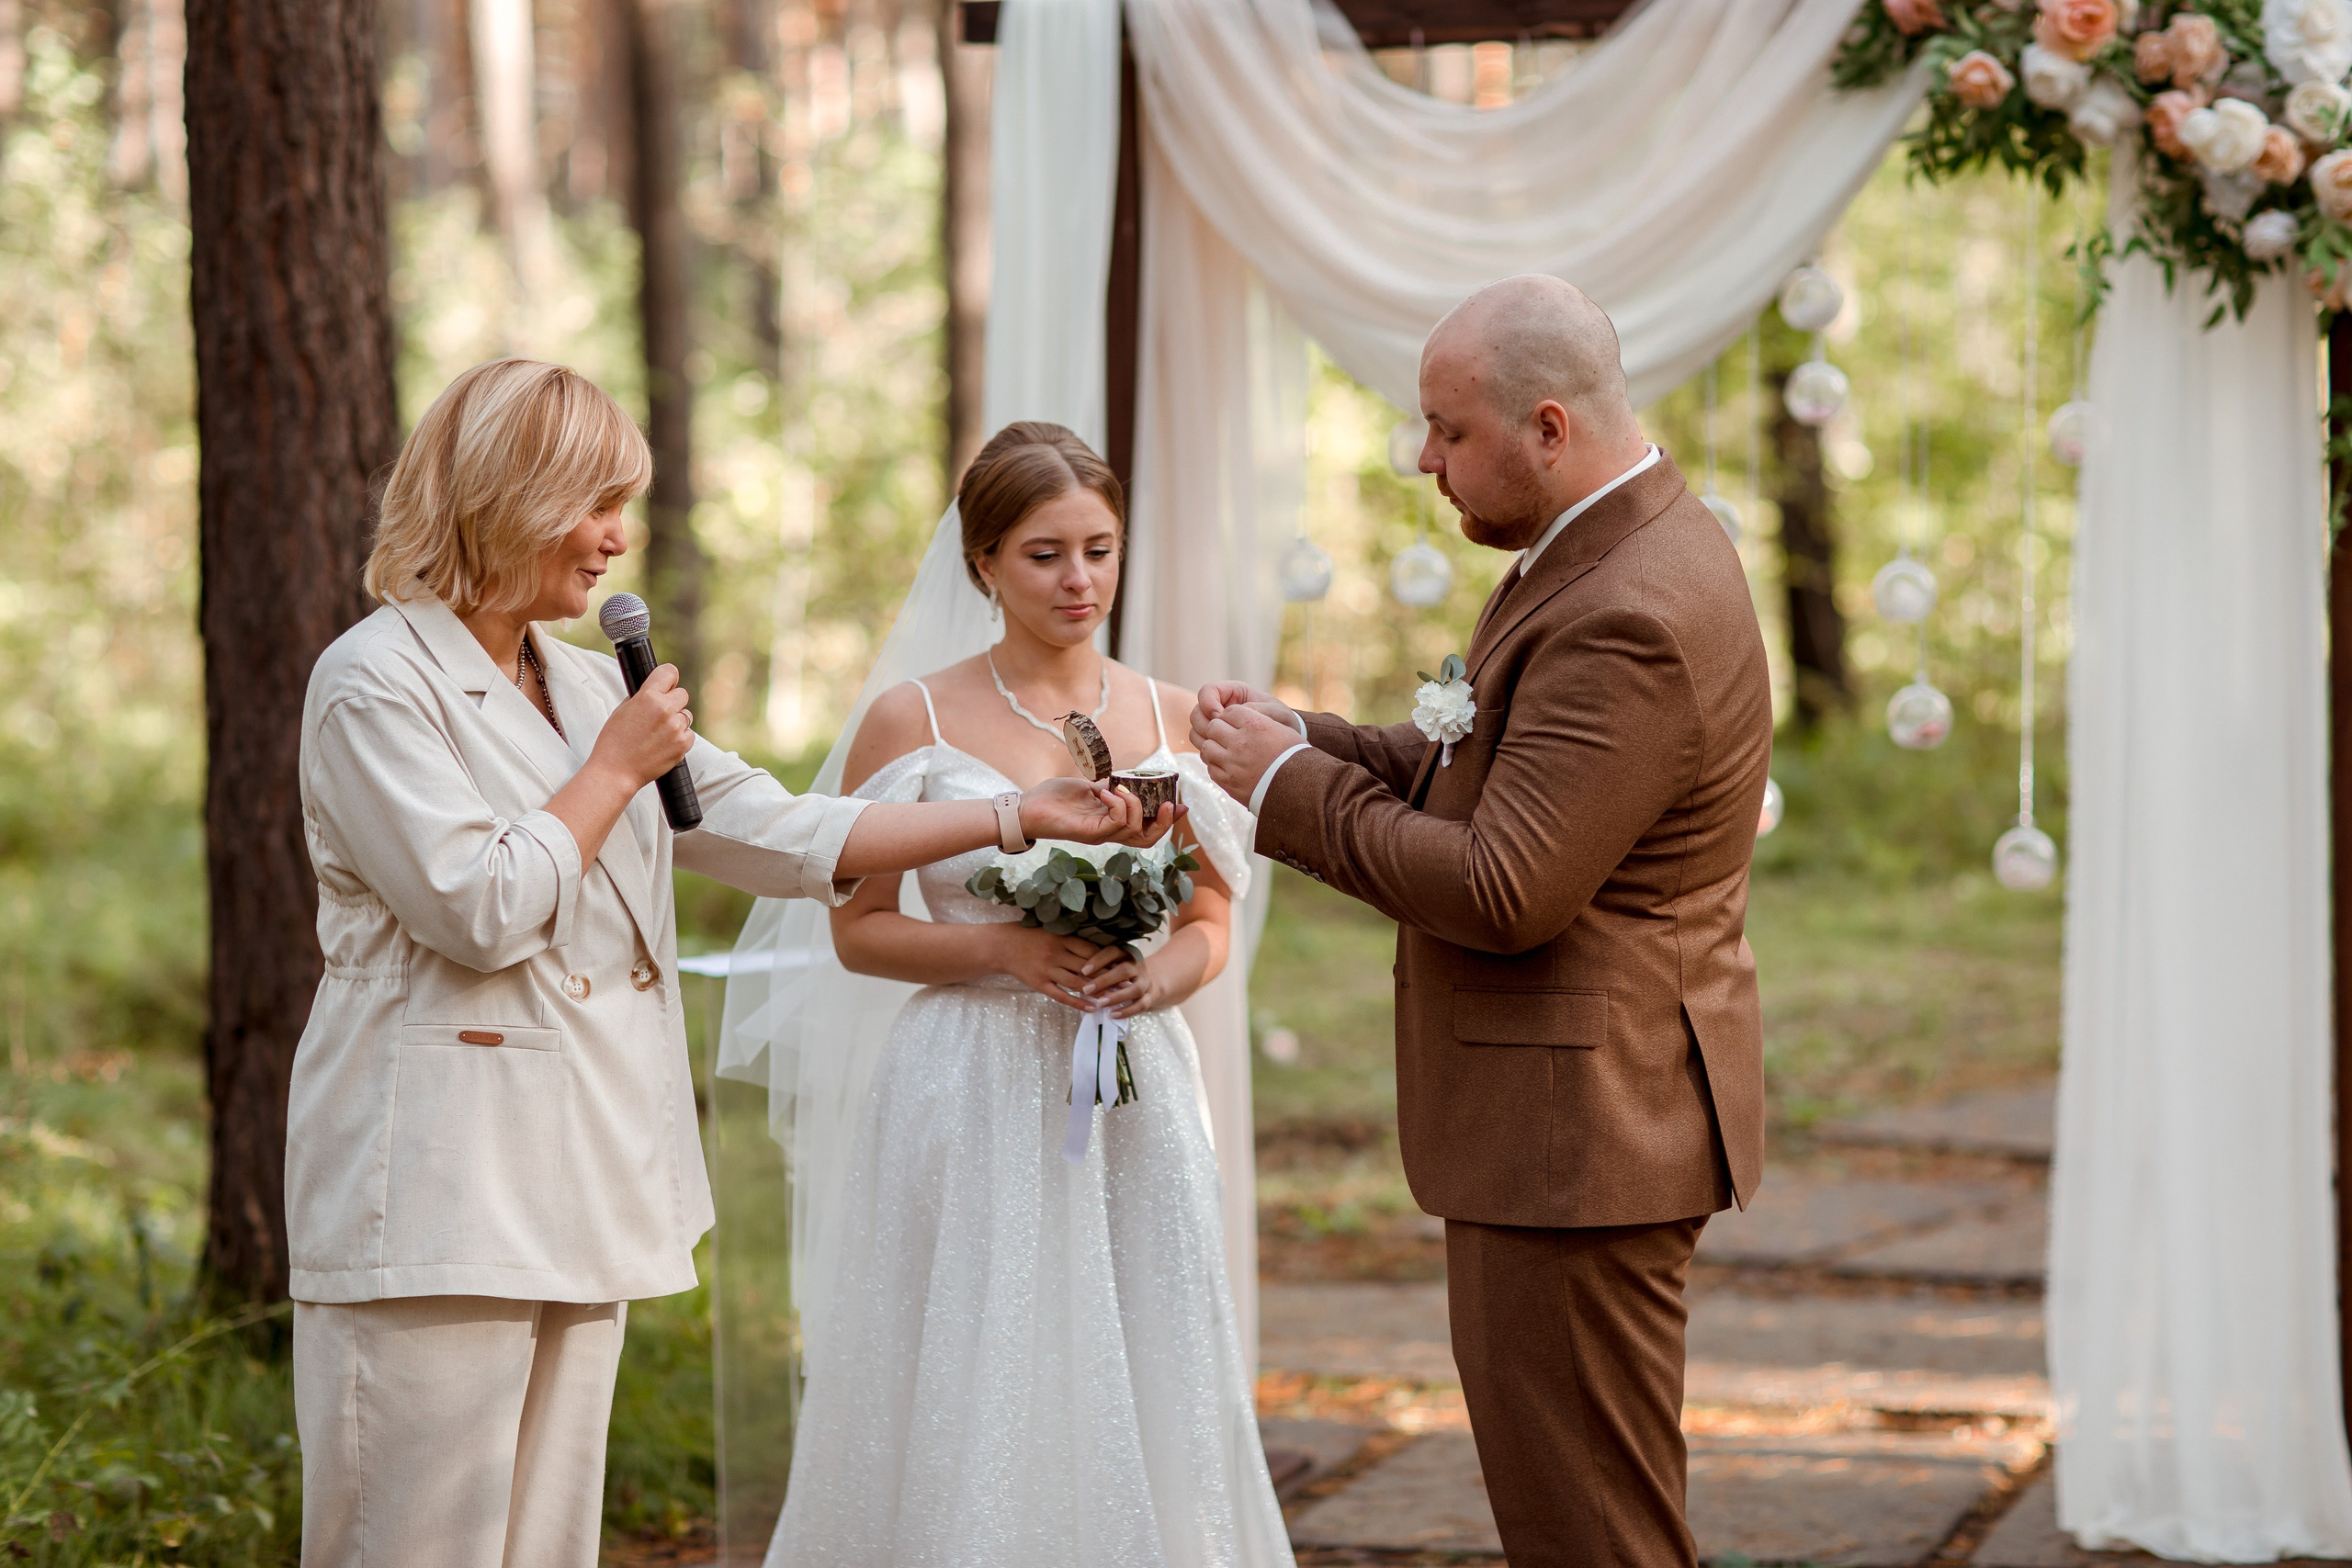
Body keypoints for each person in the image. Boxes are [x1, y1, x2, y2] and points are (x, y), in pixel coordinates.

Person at [287, 362, 1157, 1568]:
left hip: (582, 1173)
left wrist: (1017, 814)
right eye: (597, 505)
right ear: (504, 495)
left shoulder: (584, 679)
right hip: (441, 1185)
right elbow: (477, 906)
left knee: (547, 1545)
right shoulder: (375, 681)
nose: (616, 541)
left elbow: (782, 829)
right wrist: (613, 768)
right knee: (415, 1543)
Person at [1191, 276, 1772, 1568]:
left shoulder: (1629, 608)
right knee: (1581, 1515)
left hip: (1580, 1135)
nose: (1424, 458)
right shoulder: (1600, 548)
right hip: (1574, 1122)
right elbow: (1490, 769)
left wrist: (1287, 792)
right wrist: (1308, 738)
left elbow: (1505, 885)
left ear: (1548, 428)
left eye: (1448, 431)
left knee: (1592, 1531)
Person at [758, 422, 1293, 1568]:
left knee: (1144, 1337)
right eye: (1045, 554)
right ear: (984, 562)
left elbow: (1210, 922)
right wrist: (1005, 954)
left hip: (1135, 1086)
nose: (1078, 580)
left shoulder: (1175, 719)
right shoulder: (913, 719)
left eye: (1099, 550)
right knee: (979, 1348)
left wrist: (1152, 980)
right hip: (966, 1084)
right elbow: (859, 930)